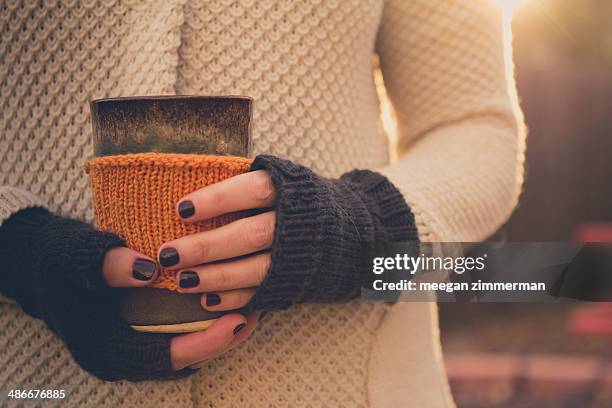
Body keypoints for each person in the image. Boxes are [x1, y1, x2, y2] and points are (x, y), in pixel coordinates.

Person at [0, 0, 525, 406]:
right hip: (37, 378)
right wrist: (17, 247)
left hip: (348, 379)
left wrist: (359, 226)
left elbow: (476, 130)